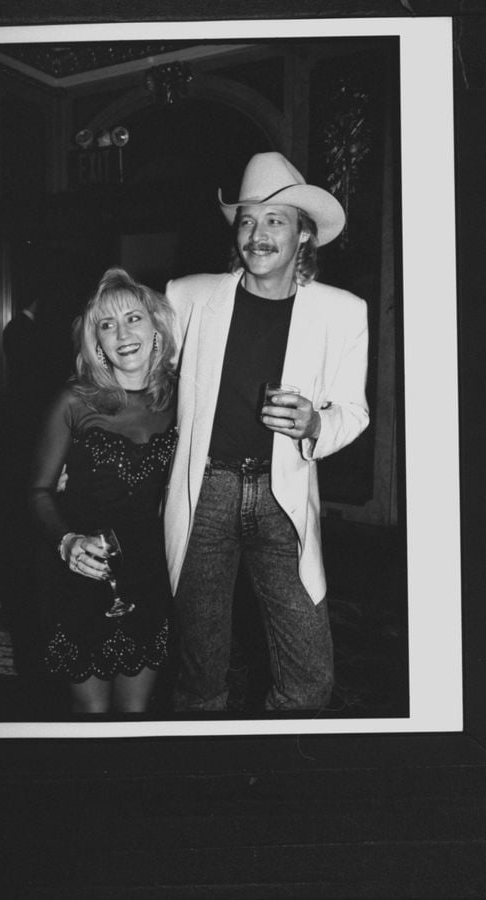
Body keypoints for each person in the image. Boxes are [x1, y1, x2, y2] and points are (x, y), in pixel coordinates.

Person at [163, 151, 370, 712]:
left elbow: (354, 410)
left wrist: (316, 423)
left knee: (309, 679)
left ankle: (278, 777)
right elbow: (141, 383)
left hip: (285, 500)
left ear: (303, 235)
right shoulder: (187, 296)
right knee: (201, 675)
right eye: (248, 219)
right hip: (203, 493)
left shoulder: (343, 312)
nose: (257, 233)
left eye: (275, 220)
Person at [28, 267, 177, 715]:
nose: (121, 333)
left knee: (135, 715)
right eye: (106, 325)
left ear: (156, 329)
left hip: (150, 574)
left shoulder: (184, 398)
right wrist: (67, 541)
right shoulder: (74, 401)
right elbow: (36, 490)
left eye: (133, 318)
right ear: (96, 343)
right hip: (82, 573)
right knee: (90, 718)